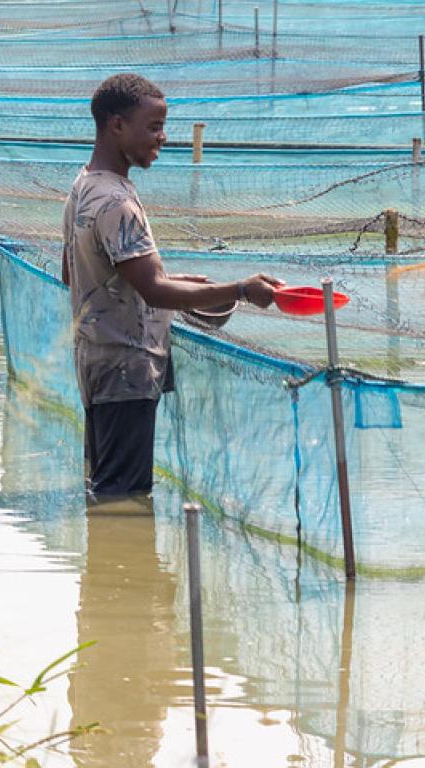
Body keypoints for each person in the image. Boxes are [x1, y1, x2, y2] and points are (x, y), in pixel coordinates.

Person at [62, 73, 283, 504]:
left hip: (96, 361)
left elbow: (77, 273)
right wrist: (239, 289)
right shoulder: (117, 203)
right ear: (116, 125)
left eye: (163, 126)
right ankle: (120, 569)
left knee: (105, 485)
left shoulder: (85, 185)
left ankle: (104, 567)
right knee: (122, 499)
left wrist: (174, 283)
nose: (162, 137)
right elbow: (153, 292)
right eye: (153, 126)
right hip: (127, 368)